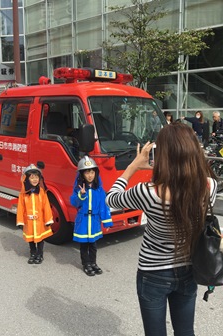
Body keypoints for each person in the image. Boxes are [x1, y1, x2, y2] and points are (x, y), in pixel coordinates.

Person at [105, 123, 217, 336]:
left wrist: (133, 167)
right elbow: (182, 186)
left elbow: (111, 201)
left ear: (163, 155)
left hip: (153, 272)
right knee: (185, 332)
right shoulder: (209, 187)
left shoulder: (148, 192)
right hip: (189, 270)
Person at [70, 156, 113, 276]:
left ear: (96, 173)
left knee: (93, 244)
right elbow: (74, 202)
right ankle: (86, 264)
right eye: (87, 172)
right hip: (83, 220)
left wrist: (107, 222)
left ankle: (93, 263)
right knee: (84, 244)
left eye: (92, 172)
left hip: (94, 221)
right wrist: (81, 195)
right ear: (82, 174)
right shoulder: (78, 188)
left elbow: (104, 206)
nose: (90, 175)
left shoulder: (98, 189)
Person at [16, 164, 53, 264]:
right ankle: (33, 253)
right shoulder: (23, 193)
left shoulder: (41, 192)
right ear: (27, 179)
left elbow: (46, 206)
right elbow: (20, 207)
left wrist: (48, 219)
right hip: (28, 221)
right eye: (32, 177)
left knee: (40, 238)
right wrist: (20, 221)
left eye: (36, 177)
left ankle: (40, 254)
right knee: (31, 238)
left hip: (40, 221)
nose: (35, 180)